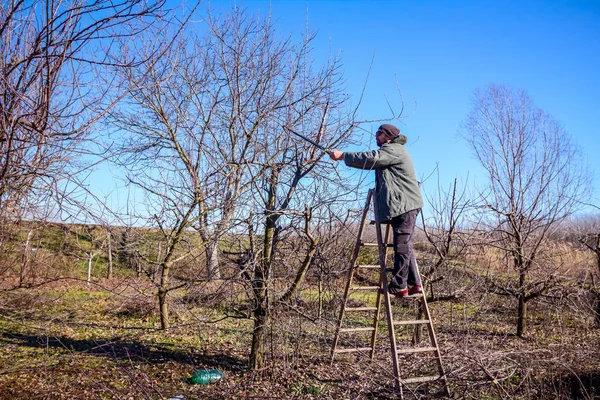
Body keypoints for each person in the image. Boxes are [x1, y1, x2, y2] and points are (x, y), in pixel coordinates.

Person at [329, 124, 423, 297]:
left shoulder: (394, 149)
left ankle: (399, 286)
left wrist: (343, 156)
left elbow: (371, 158)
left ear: (388, 136)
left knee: (402, 246)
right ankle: (414, 284)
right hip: (402, 205)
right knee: (405, 245)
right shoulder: (391, 150)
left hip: (405, 205)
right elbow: (370, 162)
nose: (376, 135)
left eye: (379, 133)